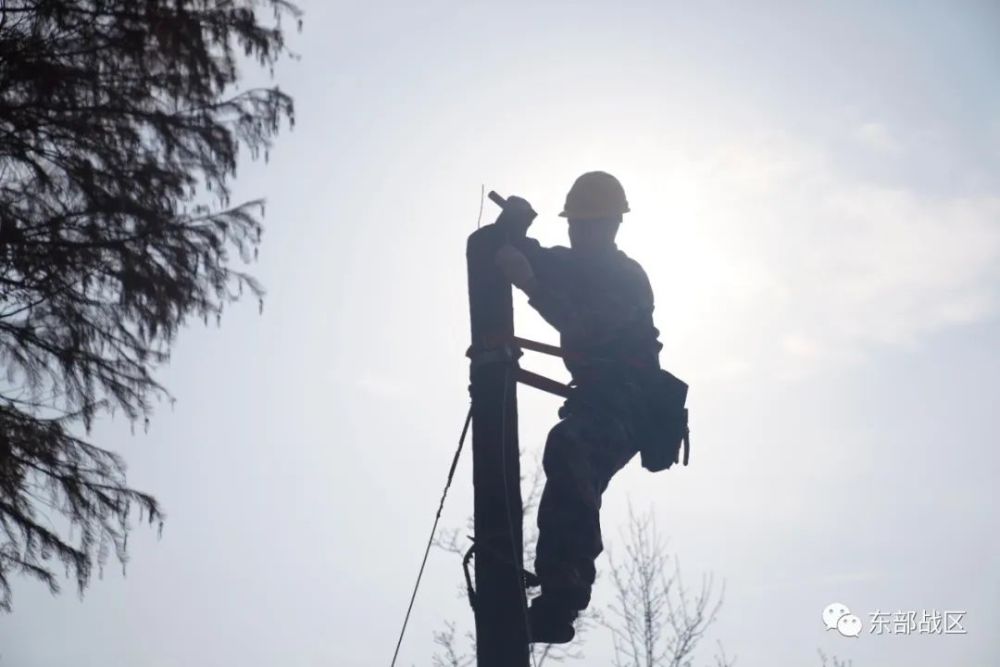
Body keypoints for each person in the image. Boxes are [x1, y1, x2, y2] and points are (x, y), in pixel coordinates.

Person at [494, 171, 665, 644]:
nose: (578, 233)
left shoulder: (627, 278)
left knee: (571, 447)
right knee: (568, 453)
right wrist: (515, 231)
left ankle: (561, 601)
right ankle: (553, 586)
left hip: (631, 399)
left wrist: (529, 283)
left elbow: (587, 326)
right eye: (574, 225)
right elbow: (537, 258)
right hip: (599, 396)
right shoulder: (571, 264)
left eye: (588, 225)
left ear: (611, 227)